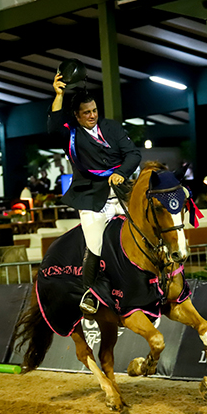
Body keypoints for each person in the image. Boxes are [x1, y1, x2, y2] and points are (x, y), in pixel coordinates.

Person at [48, 72, 141, 314]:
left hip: (121, 193)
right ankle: (91, 293)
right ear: (77, 116)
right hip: (91, 199)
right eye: (87, 113)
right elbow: (55, 123)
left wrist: (121, 172)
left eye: (95, 111)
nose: (92, 116)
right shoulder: (71, 134)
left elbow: (133, 153)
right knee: (95, 245)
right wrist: (59, 95)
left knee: (146, 231)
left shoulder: (111, 127)